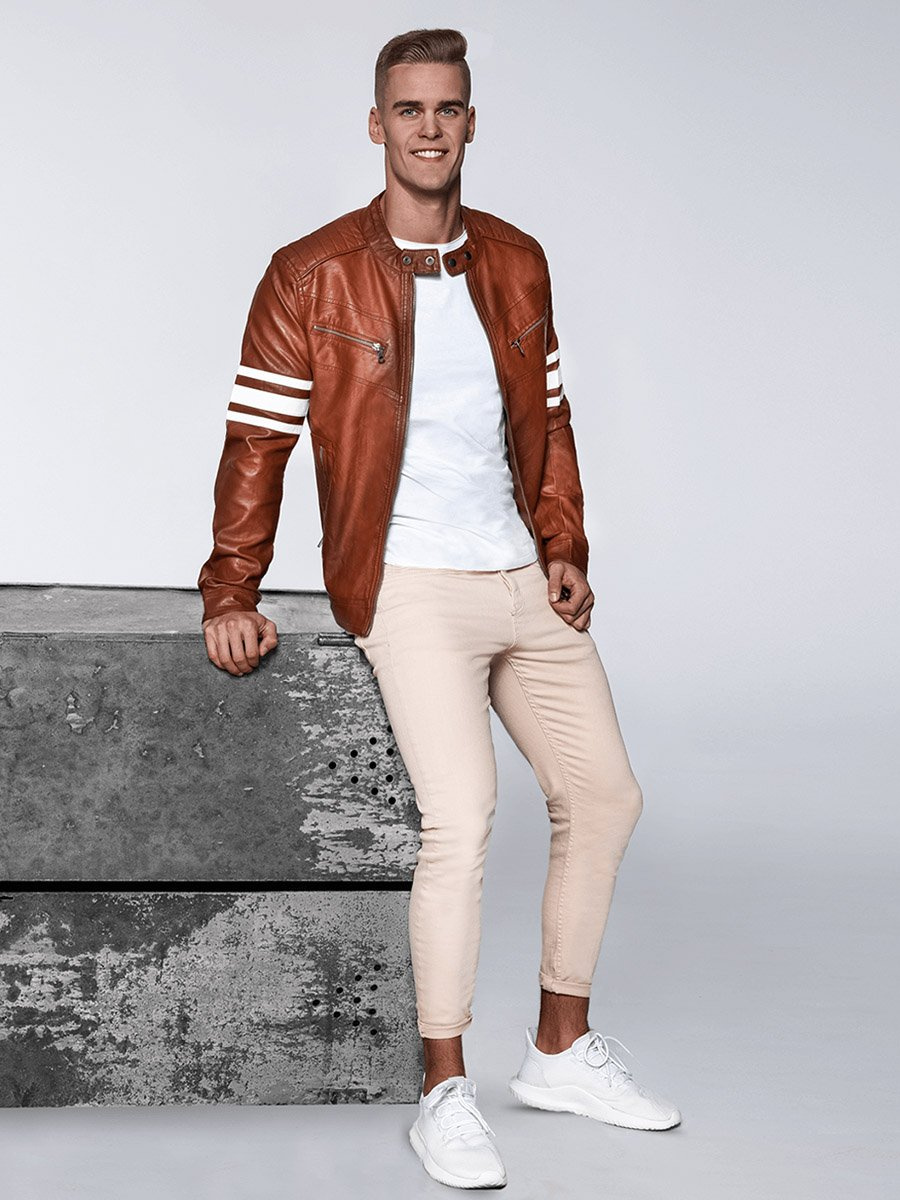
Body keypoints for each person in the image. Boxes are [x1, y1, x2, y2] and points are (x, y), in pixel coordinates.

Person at [197, 26, 680, 1190]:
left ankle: (558, 1050)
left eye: (447, 108)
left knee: (605, 796)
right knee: (461, 818)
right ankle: (445, 1090)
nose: (428, 127)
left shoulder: (517, 261)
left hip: (518, 578)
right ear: (378, 125)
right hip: (408, 583)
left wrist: (562, 545)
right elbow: (257, 441)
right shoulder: (310, 273)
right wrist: (231, 589)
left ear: (471, 123)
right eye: (408, 109)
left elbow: (549, 420)